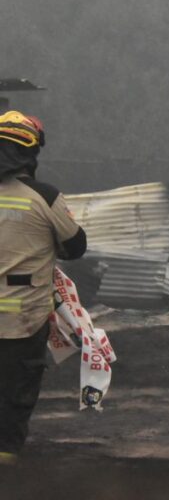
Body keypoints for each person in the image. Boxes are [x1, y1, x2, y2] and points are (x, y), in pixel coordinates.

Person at [0, 111, 87, 466]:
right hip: (22, 316)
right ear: (32, 153)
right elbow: (76, 246)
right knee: (16, 387)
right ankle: (6, 455)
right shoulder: (44, 196)